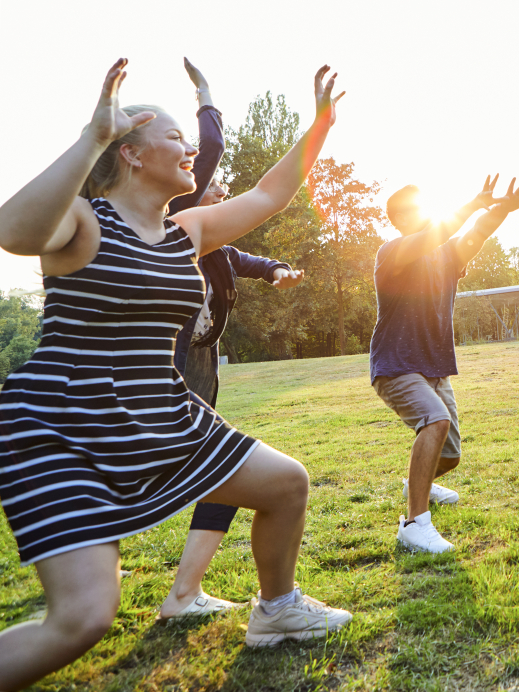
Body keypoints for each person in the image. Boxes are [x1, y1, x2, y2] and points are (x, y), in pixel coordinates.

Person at [0, 60, 350, 689]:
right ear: (131, 153)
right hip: (62, 427)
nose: (189, 149)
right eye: (173, 139)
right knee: (81, 620)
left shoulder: (184, 233)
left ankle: (276, 610)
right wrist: (90, 137)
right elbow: (12, 231)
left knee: (285, 484)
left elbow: (271, 193)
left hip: (160, 413)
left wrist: (319, 126)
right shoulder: (84, 221)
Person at [152, 61, 307, 621]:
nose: (217, 187)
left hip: (201, 363)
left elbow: (244, 257)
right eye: (211, 186)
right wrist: (206, 95)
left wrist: (277, 269)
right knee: (197, 468)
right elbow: (212, 148)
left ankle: (184, 592)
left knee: (218, 469)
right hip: (162, 366)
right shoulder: (176, 220)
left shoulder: (213, 247)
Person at [372, 175, 519, 552]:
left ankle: (417, 484)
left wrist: (500, 211)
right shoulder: (390, 253)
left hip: (434, 367)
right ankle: (413, 523)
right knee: (436, 421)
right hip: (396, 364)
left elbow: (476, 233)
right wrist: (473, 204)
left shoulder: (446, 254)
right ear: (399, 219)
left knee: (451, 454)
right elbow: (441, 232)